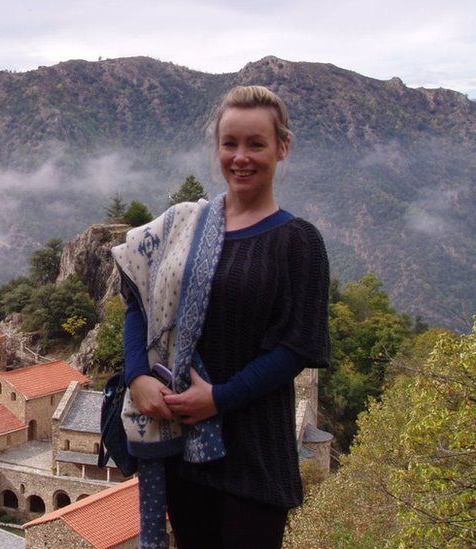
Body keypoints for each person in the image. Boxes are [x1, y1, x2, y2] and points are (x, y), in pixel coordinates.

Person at [112, 85, 330, 549]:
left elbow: (297, 345)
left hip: (254, 456)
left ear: (282, 147)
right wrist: (136, 377)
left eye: (256, 144)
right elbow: (139, 300)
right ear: (217, 148)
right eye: (230, 143)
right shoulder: (182, 224)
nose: (241, 157)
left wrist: (220, 399)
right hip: (183, 451)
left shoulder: (298, 242)